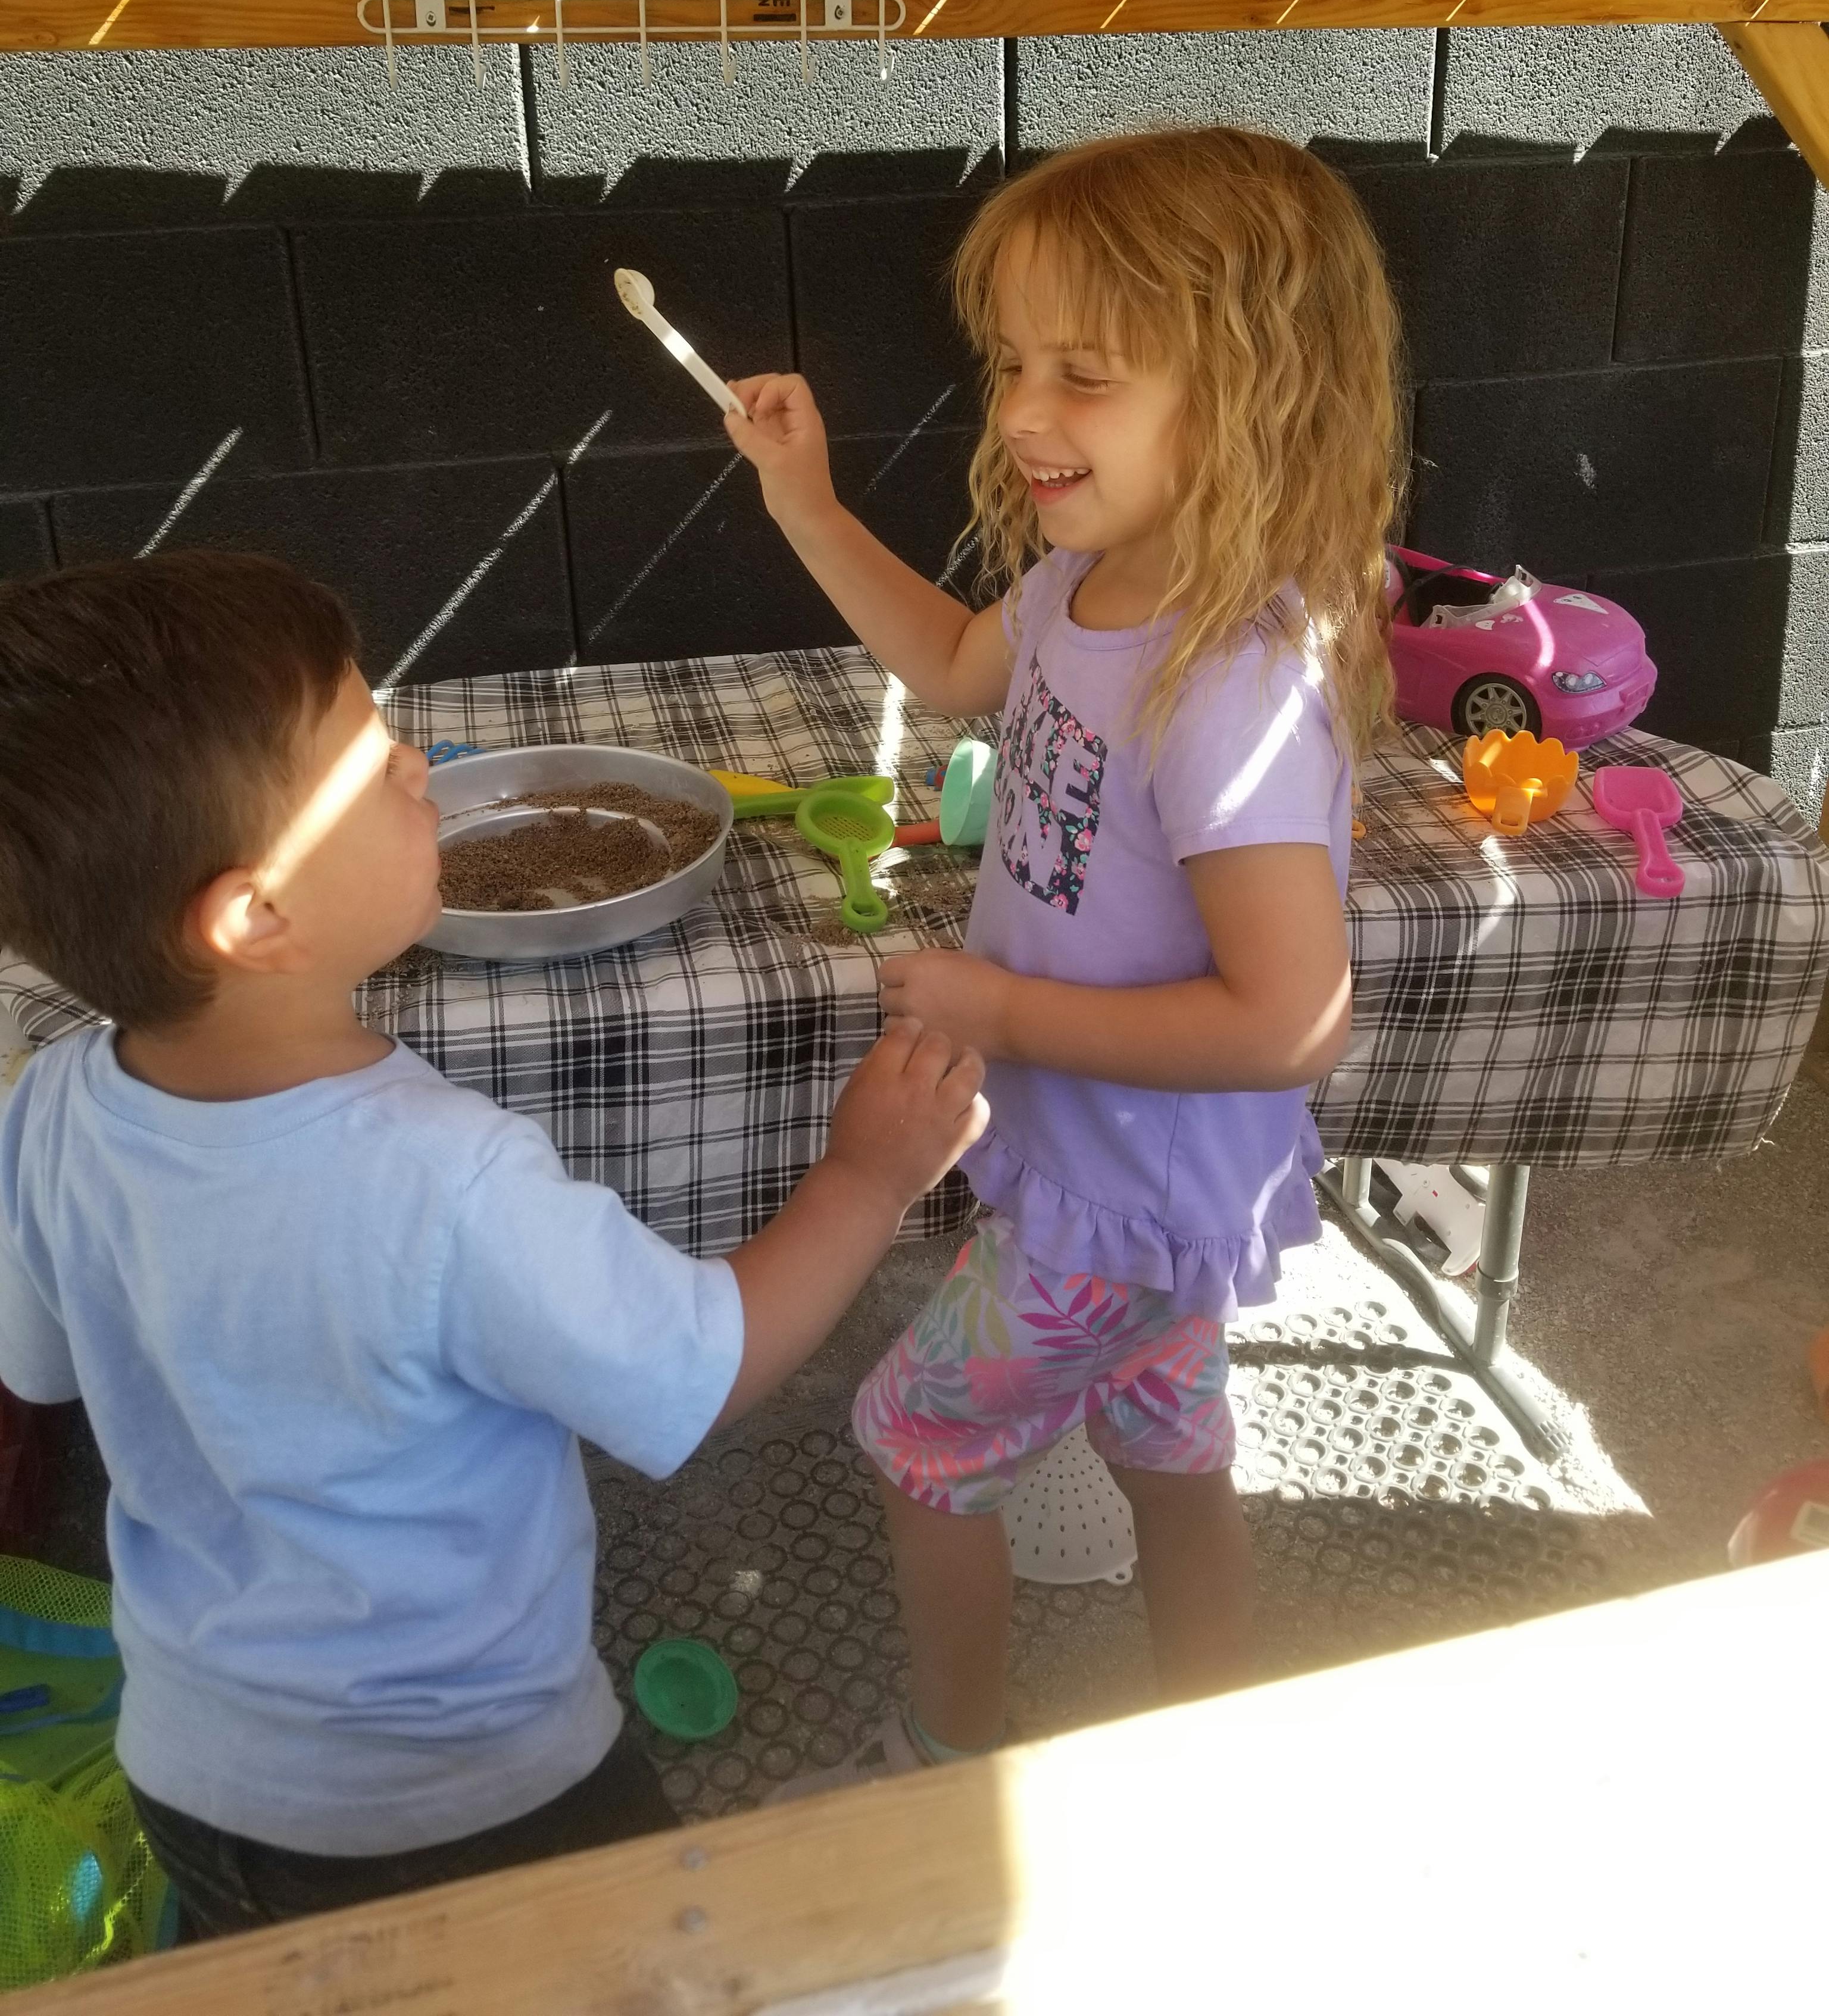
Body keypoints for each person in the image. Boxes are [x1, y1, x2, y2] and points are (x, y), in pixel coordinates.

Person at [0, 551, 987, 1933]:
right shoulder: (449, 1182)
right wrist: (869, 1175)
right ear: (255, 915)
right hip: (464, 1798)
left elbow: (40, 1367)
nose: (419, 768)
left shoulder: (49, 1100)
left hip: (190, 1765)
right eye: (373, 763)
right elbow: (707, 1364)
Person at [723, 123, 1402, 1782]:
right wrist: (804, 503)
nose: (1024, 413)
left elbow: (1292, 1019)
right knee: (1169, 1441)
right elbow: (952, 665)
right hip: (1123, 1171)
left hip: (1129, 1183)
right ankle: (1217, 1738)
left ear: (1253, 394)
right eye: (1013, 363)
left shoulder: (1231, 679)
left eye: (1084, 374)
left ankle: (944, 1756)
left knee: (916, 1436)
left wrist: (999, 1005)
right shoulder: (1085, 584)